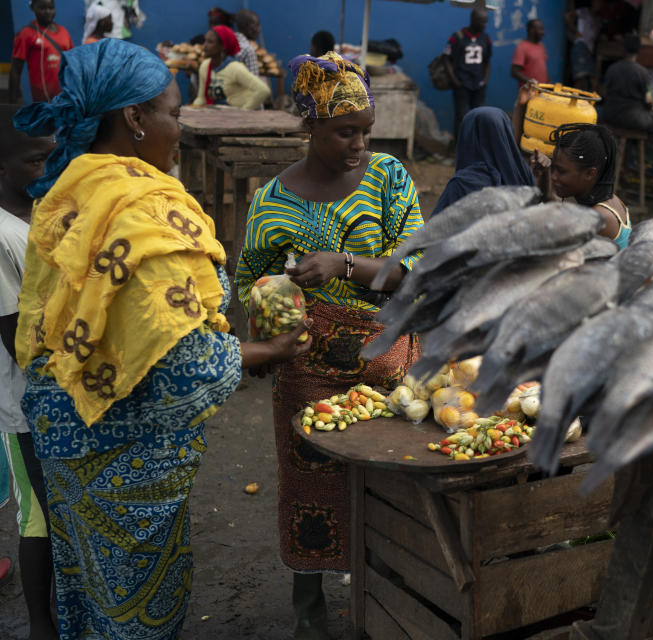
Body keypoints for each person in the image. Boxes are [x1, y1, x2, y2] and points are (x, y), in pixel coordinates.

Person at [13, 39, 311, 639]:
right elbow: (183, 365)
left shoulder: (70, 188)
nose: (180, 129)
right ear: (133, 119)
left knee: (85, 596)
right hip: (120, 458)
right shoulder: (137, 210)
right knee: (134, 610)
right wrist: (270, 351)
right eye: (172, 114)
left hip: (65, 438)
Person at [234, 52, 424, 640]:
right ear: (309, 125)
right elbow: (250, 281)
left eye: (366, 130)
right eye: (346, 131)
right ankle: (309, 609)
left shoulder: (389, 178)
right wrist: (271, 318)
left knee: (391, 485)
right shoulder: (272, 202)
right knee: (310, 486)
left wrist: (345, 265)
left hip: (387, 365)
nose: (359, 144)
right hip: (306, 371)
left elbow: (417, 269)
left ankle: (390, 599)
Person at [0, 104, 58, 640]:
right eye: (35, 159)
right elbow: (16, 335)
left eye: (50, 154)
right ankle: (41, 624)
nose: (47, 165)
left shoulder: (38, 213)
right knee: (36, 518)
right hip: (26, 403)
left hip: (55, 395)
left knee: (56, 510)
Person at [532, 123, 631, 249]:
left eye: (562, 171)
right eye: (553, 169)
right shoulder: (608, 198)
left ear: (590, 173)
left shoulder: (599, 218)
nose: (553, 176)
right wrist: (543, 179)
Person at [601, 33, 653, 194]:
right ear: (638, 51)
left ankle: (625, 170)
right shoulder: (642, 72)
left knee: (630, 137)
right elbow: (649, 101)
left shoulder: (612, 68)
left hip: (611, 116)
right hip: (634, 119)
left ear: (623, 49)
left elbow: (604, 92)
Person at [433, 106, 536, 217]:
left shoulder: (462, 184)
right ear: (506, 134)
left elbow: (434, 229)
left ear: (467, 136)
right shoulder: (524, 174)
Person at [9, 0, 73, 104]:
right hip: (42, 101)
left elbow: (71, 63)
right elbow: (16, 69)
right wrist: (14, 99)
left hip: (65, 98)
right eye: (42, 8)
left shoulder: (64, 32)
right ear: (33, 8)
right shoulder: (26, 34)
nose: (48, 12)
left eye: (51, 8)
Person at [443, 8, 493, 142]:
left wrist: (485, 80)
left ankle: (476, 147)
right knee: (461, 116)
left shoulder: (485, 38)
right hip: (461, 83)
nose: (484, 25)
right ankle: (458, 148)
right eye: (481, 22)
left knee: (479, 116)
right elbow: (446, 58)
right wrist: (454, 79)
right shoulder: (458, 36)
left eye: (486, 22)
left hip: (479, 84)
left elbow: (487, 61)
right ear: (473, 20)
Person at [193, 26, 271, 110]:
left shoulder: (235, 68)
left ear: (223, 46)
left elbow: (263, 90)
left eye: (210, 42)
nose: (204, 46)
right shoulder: (205, 66)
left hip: (236, 118)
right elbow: (201, 98)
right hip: (217, 116)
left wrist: (244, 111)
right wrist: (192, 110)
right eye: (205, 41)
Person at [566, 0, 600, 92]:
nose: (599, 4)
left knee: (592, 78)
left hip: (589, 49)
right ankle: (577, 101)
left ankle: (591, 102)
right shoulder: (584, 12)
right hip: (581, 46)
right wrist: (575, 31)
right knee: (580, 78)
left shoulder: (597, 19)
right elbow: (567, 16)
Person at [511, 19, 548, 89]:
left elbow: (542, 68)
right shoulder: (522, 47)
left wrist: (548, 82)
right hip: (528, 91)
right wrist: (532, 82)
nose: (543, 32)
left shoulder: (541, 46)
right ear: (531, 30)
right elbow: (514, 72)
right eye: (540, 29)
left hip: (542, 90)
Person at [235, 9, 262, 76]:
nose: (259, 29)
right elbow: (253, 83)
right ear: (246, 26)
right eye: (256, 25)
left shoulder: (227, 43)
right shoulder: (248, 50)